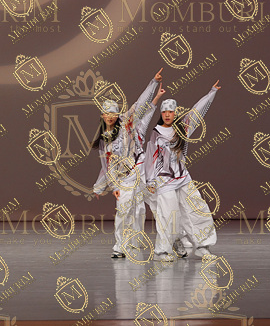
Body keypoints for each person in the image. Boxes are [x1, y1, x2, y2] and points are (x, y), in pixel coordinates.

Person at [144, 81, 221, 261]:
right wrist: (150, 181)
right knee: (168, 215)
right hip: (164, 181)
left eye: (170, 111)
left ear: (175, 112)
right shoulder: (156, 133)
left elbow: (196, 111)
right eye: (164, 112)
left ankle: (202, 247)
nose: (167, 114)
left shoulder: (182, 128)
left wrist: (211, 92)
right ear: (161, 113)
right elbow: (151, 158)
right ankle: (162, 251)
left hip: (183, 178)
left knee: (196, 210)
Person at [92, 69, 164, 258]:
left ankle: (136, 242)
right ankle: (119, 246)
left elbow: (140, 105)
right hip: (122, 178)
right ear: (102, 115)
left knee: (139, 209)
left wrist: (153, 83)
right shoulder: (104, 139)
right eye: (107, 113)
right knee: (123, 210)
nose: (110, 116)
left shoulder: (126, 123)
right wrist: (111, 186)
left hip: (138, 170)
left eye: (113, 113)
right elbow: (106, 166)